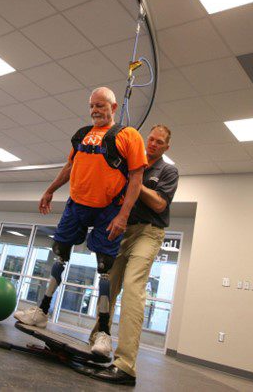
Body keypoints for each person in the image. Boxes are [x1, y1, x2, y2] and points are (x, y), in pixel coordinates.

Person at [14, 87, 147, 357]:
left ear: (113, 107)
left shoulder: (128, 135)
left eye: (100, 105)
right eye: (91, 106)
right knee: (59, 256)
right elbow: (69, 168)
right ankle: (42, 311)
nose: (95, 110)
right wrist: (50, 189)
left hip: (109, 210)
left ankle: (103, 333)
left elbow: (136, 179)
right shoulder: (81, 134)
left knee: (105, 269)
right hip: (77, 205)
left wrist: (123, 215)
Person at [88, 124, 179, 385]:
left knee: (132, 287)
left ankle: (126, 364)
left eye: (159, 142)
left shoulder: (167, 170)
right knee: (108, 286)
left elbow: (161, 203)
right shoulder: (131, 163)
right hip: (124, 230)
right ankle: (98, 342)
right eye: (150, 139)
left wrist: (135, 182)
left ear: (166, 147)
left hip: (149, 234)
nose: (153, 144)